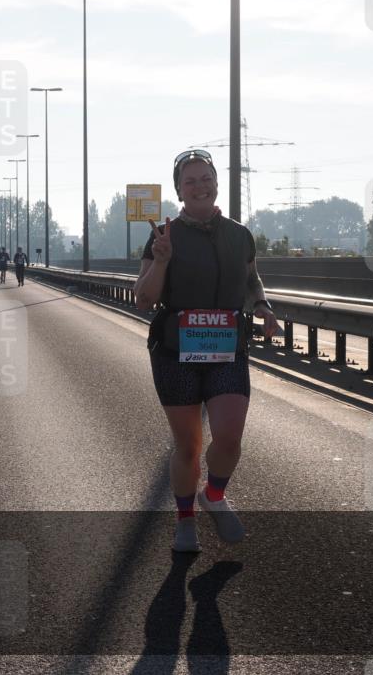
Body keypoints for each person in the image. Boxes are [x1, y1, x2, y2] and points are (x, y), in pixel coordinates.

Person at [134, 149, 281, 553]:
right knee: (189, 447)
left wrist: (264, 307)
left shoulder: (240, 234)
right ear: (180, 191)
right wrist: (161, 261)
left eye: (205, 178)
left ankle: (213, 495)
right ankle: (185, 521)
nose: (199, 186)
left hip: (227, 347)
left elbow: (252, 279)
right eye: (190, 181)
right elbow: (144, 299)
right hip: (175, 351)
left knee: (229, 438)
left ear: (216, 183)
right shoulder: (163, 236)